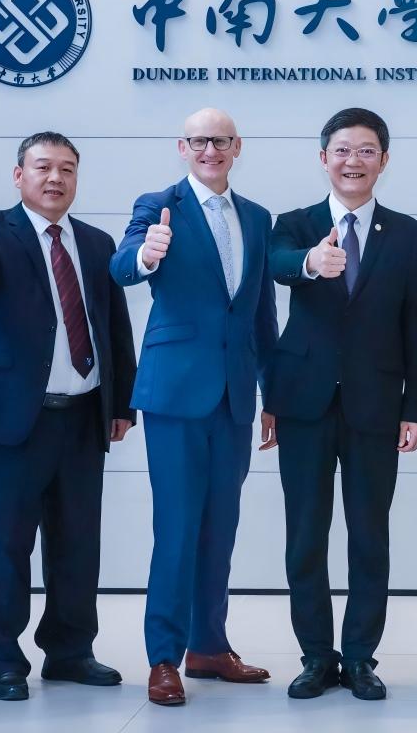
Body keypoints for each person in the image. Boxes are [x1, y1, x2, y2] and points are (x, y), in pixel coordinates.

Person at [0, 132, 137, 701]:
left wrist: (121, 404)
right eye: (43, 167)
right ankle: (4, 659)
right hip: (15, 420)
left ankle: (71, 651)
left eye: (66, 169)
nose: (55, 178)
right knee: (6, 545)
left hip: (83, 416)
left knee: (78, 542)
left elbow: (114, 326)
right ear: (19, 176)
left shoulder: (98, 243)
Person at [263, 108, 417, 702]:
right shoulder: (295, 223)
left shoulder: (406, 234)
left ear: (383, 160)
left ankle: (360, 656)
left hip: (377, 405)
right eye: (341, 150)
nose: (352, 161)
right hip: (303, 404)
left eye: (365, 151)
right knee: (305, 536)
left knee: (369, 535)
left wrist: (416, 408)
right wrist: (311, 262)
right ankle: (316, 655)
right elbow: (276, 265)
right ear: (323, 158)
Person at [112, 107, 278, 707]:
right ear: (183, 146)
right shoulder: (159, 206)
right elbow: (122, 266)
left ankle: (209, 645)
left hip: (234, 395)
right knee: (177, 527)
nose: (211, 150)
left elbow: (260, 310)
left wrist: (271, 393)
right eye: (200, 140)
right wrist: (147, 253)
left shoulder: (257, 218)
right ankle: (164, 655)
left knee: (220, 526)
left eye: (221, 140)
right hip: (176, 394)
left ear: (237, 146)